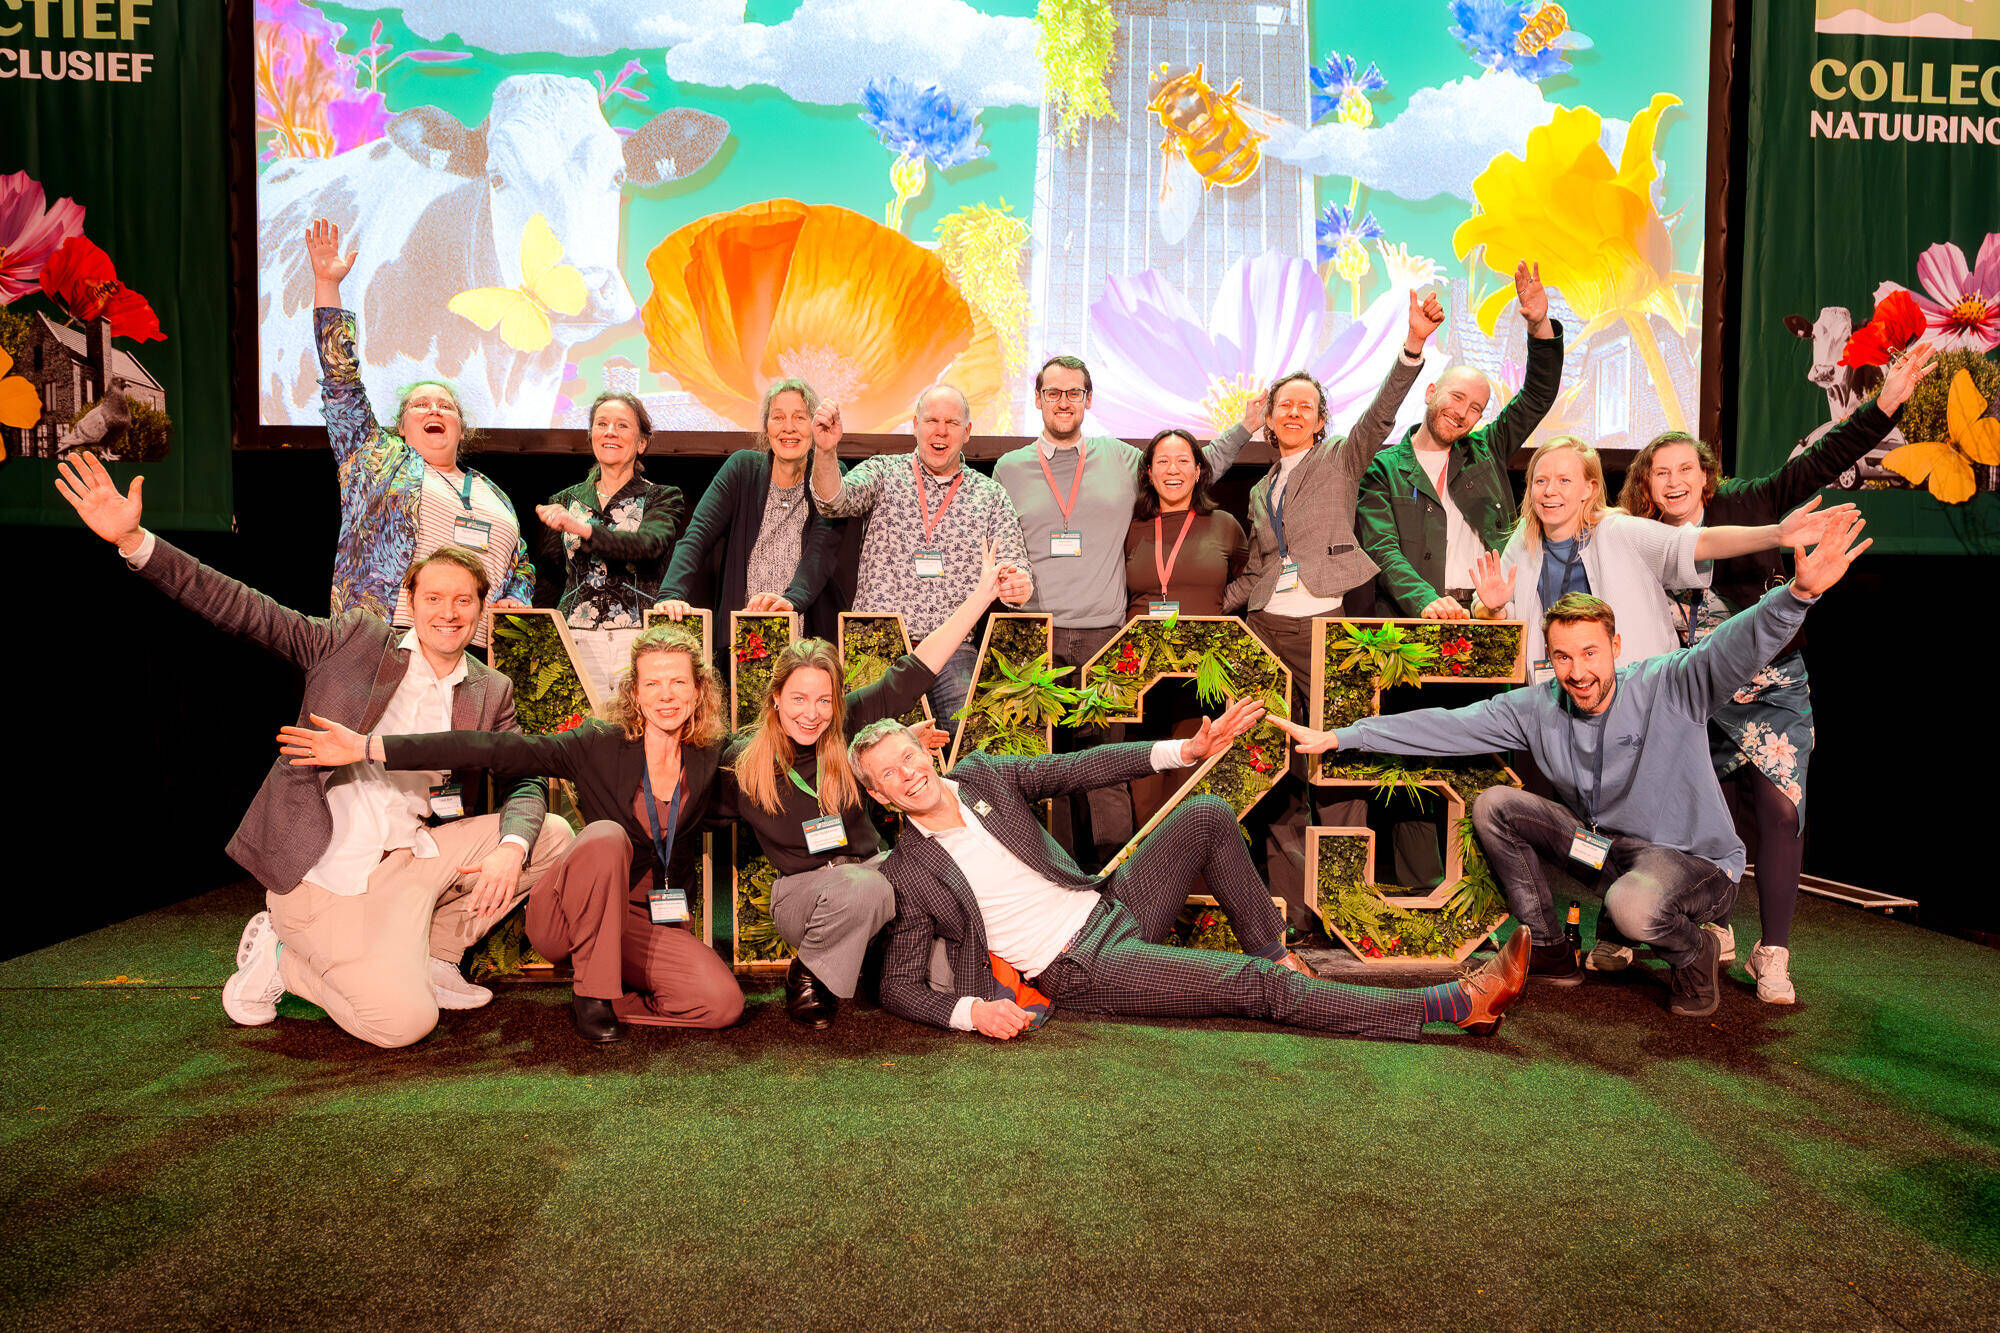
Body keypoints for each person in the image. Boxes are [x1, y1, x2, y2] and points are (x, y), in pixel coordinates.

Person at [53, 453, 574, 1048]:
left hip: (410, 860)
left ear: (482, 608)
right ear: (410, 601)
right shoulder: (355, 643)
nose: (448, 613)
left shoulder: (490, 688)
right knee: (403, 1025)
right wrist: (136, 542)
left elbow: (525, 777)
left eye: (463, 600)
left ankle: (438, 955)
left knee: (549, 834)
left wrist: (510, 848)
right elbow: (245, 609)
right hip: (326, 873)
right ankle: (280, 959)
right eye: (434, 598)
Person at [1268, 508, 1872, 1019]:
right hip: (1606, 854)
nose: (1578, 671)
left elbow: (1733, 645)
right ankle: (1552, 949)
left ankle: (1695, 954)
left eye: (1589, 653)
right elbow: (1450, 725)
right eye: (1562, 657)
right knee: (1497, 806)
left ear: (1615, 647)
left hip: (1694, 866)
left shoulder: (1669, 684)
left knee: (1632, 907)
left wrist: (1799, 595)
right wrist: (1344, 736)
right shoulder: (1540, 706)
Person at [848, 703, 1531, 1042]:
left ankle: (1279, 954)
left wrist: (1185, 749)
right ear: (879, 796)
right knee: (1253, 988)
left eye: (909, 757)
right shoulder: (909, 870)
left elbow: (1080, 768)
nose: (908, 774)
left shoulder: (980, 775)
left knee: (1205, 813)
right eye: (889, 775)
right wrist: (971, 1013)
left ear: (926, 750)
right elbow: (898, 984)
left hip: (1109, 906)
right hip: (1080, 965)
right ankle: (1452, 1005)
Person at [1611, 344, 1937, 1003]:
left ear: (1706, 478)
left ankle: (1775, 952)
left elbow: (1820, 460)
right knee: (1696, 820)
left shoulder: (1750, 504)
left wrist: (1884, 407)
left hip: (1770, 688)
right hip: (1693, 698)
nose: (1673, 482)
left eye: (1685, 469)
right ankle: (1704, 923)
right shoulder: (1639, 537)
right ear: (1645, 485)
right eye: (1660, 473)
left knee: (1781, 811)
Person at [280, 623, 742, 1046]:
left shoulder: (710, 754)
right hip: (571, 914)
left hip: (642, 921)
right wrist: (370, 747)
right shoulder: (598, 744)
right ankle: (592, 994)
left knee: (722, 1005)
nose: (666, 695)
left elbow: (766, 755)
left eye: (679, 682)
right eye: (653, 683)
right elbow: (491, 748)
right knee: (604, 835)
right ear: (635, 693)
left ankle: (614, 998)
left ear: (698, 690)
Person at [724, 541, 1007, 1028]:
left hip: (874, 872)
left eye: (824, 700)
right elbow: (676, 796)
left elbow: (914, 672)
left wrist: (982, 596)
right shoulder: (741, 761)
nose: (811, 713)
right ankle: (808, 972)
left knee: (944, 975)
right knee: (865, 888)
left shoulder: (847, 725)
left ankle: (874, 965)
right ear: (775, 698)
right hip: (805, 895)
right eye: (798, 699)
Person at [1227, 290, 1444, 922]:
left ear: (1321, 420)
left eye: (1306, 406)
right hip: (1266, 629)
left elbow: (1381, 414)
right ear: (1269, 421)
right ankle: (1291, 912)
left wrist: (1412, 345)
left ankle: (1342, 906)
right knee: (1274, 768)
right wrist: (1202, 608)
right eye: (1283, 406)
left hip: (1325, 626)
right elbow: (1259, 568)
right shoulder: (1260, 488)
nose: (1294, 413)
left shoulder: (1341, 458)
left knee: (1338, 761)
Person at [992, 357, 1260, 862]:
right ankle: (1052, 873)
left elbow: (1183, 469)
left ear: (1089, 399)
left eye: (1074, 392)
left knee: (1107, 767)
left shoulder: (1120, 458)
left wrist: (1245, 428)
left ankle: (1114, 875)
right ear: (1038, 399)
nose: (1064, 402)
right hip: (1033, 635)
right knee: (1038, 766)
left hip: (1106, 636)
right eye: (1053, 393)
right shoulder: (1008, 469)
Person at [304, 218, 533, 646]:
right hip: (390, 637)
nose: (434, 409)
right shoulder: (377, 459)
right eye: (420, 405)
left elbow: (521, 565)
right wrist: (327, 285)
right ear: (401, 429)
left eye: (445, 406)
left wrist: (517, 596)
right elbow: (341, 380)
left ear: (461, 429)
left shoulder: (495, 494)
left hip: (476, 649)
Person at [1468, 437, 1854, 670]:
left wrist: (1776, 534)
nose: (1550, 491)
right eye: (1540, 480)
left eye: (1564, 480)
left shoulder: (1618, 530)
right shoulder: (1524, 541)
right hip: (1554, 693)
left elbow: (1699, 543)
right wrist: (1493, 609)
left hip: (1632, 695)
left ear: (1589, 489)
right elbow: (1493, 613)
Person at [809, 384, 1034, 723]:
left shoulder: (989, 495)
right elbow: (834, 501)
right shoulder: (883, 472)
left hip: (953, 647)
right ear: (915, 425)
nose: (940, 431)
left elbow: (1014, 562)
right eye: (931, 421)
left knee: (966, 731)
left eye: (952, 423)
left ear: (967, 432)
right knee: (870, 740)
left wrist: (1019, 583)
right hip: (879, 641)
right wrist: (826, 452)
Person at [1357, 261, 1564, 618]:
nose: (1461, 413)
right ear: (1431, 392)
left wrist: (1539, 325)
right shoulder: (1383, 469)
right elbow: (1382, 548)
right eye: (1456, 397)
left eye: (1475, 408)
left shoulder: (1487, 450)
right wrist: (1425, 600)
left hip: (1489, 612)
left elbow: (1537, 395)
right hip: (1416, 615)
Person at [654, 377, 849, 644]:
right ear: (766, 428)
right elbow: (697, 536)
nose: (788, 428)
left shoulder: (830, 477)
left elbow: (821, 553)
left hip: (806, 643)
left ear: (815, 427)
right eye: (778, 417)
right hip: (741, 640)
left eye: (800, 417)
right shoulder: (742, 468)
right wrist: (670, 594)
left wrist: (790, 602)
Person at [533, 391, 685, 701]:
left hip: (638, 637)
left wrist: (582, 529)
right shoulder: (565, 500)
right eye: (602, 424)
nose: (610, 432)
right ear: (591, 436)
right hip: (575, 636)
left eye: (622, 425)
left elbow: (647, 545)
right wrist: (540, 635)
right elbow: (551, 579)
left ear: (641, 443)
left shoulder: (662, 497)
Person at [1124, 427, 1250, 620]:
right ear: (1149, 473)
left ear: (1198, 470)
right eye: (1163, 461)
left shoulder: (1224, 524)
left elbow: (1252, 576)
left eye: (1183, 461)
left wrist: (1219, 605)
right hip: (1140, 639)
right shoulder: (1131, 529)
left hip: (1207, 638)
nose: (1172, 470)